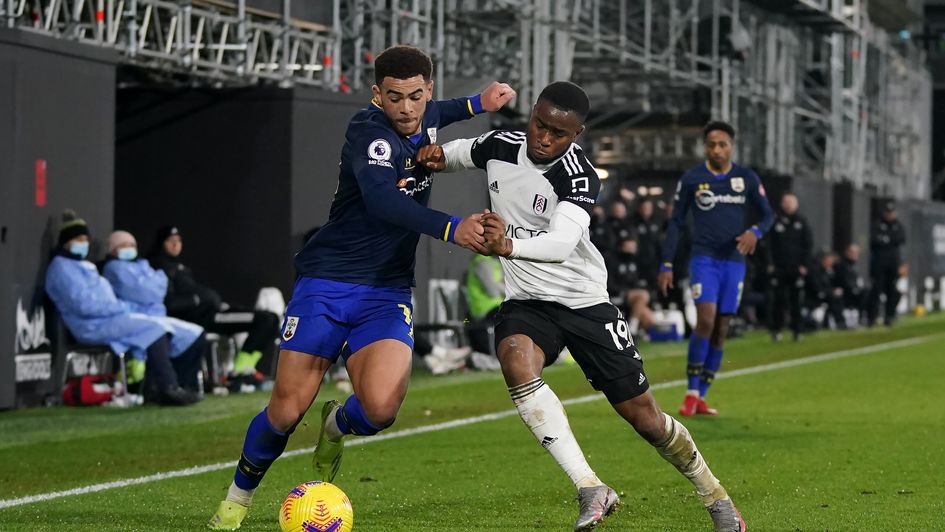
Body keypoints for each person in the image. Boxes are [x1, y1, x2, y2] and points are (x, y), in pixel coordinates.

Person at [207, 45, 515, 530]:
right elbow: (380, 203)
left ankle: (336, 425)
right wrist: (453, 228)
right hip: (328, 284)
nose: (407, 108)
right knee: (286, 411)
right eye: (395, 98)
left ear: (427, 90)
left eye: (416, 96)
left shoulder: (425, 113)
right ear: (378, 95)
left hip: (387, 292)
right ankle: (237, 498)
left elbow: (443, 111)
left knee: (381, 409)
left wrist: (481, 102)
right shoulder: (369, 133)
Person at [420, 81, 744, 532]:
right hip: (528, 301)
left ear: (577, 135)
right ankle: (589, 486)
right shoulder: (499, 144)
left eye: (558, 132)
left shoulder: (578, 174)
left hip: (583, 302)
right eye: (539, 124)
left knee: (645, 418)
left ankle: (714, 495)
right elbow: (449, 155)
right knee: (515, 360)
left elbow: (560, 243)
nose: (544, 137)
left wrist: (507, 244)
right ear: (531, 114)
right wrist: (423, 155)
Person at [658, 121, 774, 417]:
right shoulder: (693, 178)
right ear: (705, 147)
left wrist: (755, 233)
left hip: (734, 262)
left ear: (731, 146)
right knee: (705, 321)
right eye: (712, 144)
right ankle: (690, 392)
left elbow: (768, 214)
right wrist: (667, 263)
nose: (717, 149)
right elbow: (677, 222)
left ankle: (702, 397)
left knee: (721, 330)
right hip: (704, 259)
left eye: (722, 144)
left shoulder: (745, 177)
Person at [44, 213, 199, 406]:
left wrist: (123, 308)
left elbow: (111, 299)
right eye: (78, 239)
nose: (83, 244)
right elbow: (85, 305)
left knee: (164, 328)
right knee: (154, 328)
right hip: (90, 325)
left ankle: (161, 388)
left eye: (85, 240)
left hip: (108, 319)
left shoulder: (85, 266)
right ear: (66, 242)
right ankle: (168, 387)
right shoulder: (61, 268)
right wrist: (120, 308)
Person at [149, 225, 280, 381]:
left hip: (213, 311)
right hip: (205, 318)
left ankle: (245, 368)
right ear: (161, 243)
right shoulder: (158, 267)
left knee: (271, 319)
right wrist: (197, 300)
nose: (176, 245)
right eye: (171, 241)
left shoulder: (179, 266)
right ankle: (239, 372)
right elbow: (169, 303)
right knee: (265, 319)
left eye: (178, 240)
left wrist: (209, 300)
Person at [102, 230, 207, 392]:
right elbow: (145, 292)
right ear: (113, 249)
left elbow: (159, 288)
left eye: (132, 245)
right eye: (124, 245)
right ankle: (162, 387)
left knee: (196, 334)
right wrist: (151, 287)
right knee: (157, 334)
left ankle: (186, 384)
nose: (129, 248)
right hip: (133, 319)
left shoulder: (143, 265)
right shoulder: (113, 268)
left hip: (157, 317)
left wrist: (150, 288)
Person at [766, 193, 813, 341]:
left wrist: (804, 265)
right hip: (779, 268)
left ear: (797, 204)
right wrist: (770, 263)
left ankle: (797, 330)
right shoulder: (775, 221)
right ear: (781, 204)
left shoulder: (802, 222)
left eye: (791, 202)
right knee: (779, 300)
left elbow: (808, 245)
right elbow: (768, 245)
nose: (788, 205)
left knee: (797, 301)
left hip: (796, 268)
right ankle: (777, 329)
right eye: (786, 201)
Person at [867, 201, 907, 326]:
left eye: (892, 212)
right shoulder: (877, 224)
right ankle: (871, 317)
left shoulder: (898, 225)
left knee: (892, 290)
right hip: (879, 264)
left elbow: (901, 239)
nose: (890, 215)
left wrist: (885, 239)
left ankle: (889, 316)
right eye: (888, 212)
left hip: (893, 264)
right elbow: (874, 240)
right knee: (876, 290)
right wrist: (889, 240)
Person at [605, 237, 656, 331]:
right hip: (617, 294)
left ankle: (635, 331)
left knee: (650, 319)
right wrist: (623, 291)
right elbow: (609, 283)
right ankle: (632, 329)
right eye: (628, 247)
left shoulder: (635, 262)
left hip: (633, 296)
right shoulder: (612, 261)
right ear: (621, 247)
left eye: (633, 247)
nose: (631, 250)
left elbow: (637, 281)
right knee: (643, 295)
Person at [464, 254, 504, 354]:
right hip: (484, 309)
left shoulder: (495, 261)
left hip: (496, 305)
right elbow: (492, 290)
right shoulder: (482, 262)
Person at [630, 199, 662, 291]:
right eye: (644, 207)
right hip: (638, 261)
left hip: (654, 262)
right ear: (639, 208)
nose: (646, 210)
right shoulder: (633, 222)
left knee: (655, 286)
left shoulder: (657, 221)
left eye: (648, 208)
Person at [834, 243, 867, 325]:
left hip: (854, 290)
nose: (855, 255)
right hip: (846, 291)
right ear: (847, 252)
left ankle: (864, 317)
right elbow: (844, 281)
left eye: (856, 253)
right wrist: (855, 288)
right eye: (852, 252)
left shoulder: (854, 265)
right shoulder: (842, 265)